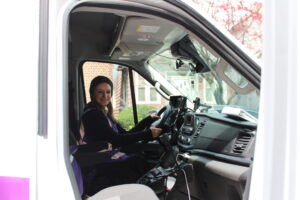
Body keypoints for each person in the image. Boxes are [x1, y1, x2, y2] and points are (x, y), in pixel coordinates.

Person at [79, 75, 162, 195]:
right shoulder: (93, 115)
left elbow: (126, 134)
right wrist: (148, 134)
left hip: (109, 156)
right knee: (140, 165)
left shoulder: (103, 113)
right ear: (93, 94)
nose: (105, 96)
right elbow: (116, 140)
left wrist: (148, 120)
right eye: (100, 92)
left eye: (108, 92)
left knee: (140, 161)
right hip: (100, 163)